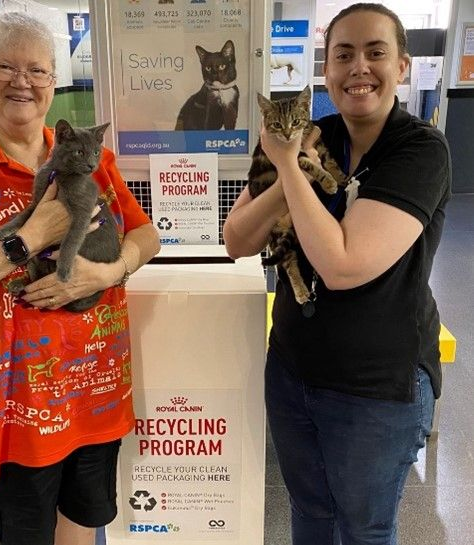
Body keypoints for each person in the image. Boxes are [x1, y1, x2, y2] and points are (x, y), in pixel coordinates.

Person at [0, 12, 160, 545]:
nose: (22, 81)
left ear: (52, 82)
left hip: (94, 391)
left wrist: (108, 271)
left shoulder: (94, 160)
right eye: (5, 66)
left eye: (38, 71)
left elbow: (146, 236)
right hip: (15, 410)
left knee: (83, 529)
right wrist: (31, 236)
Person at [224, 3, 451, 545]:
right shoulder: (313, 133)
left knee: (363, 530)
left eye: (376, 52)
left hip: (375, 388)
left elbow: (344, 265)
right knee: (311, 515)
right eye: (342, 55)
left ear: (402, 67)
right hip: (293, 369)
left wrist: (286, 163)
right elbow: (237, 239)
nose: (358, 68)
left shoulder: (420, 150)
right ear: (325, 71)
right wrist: (288, 166)